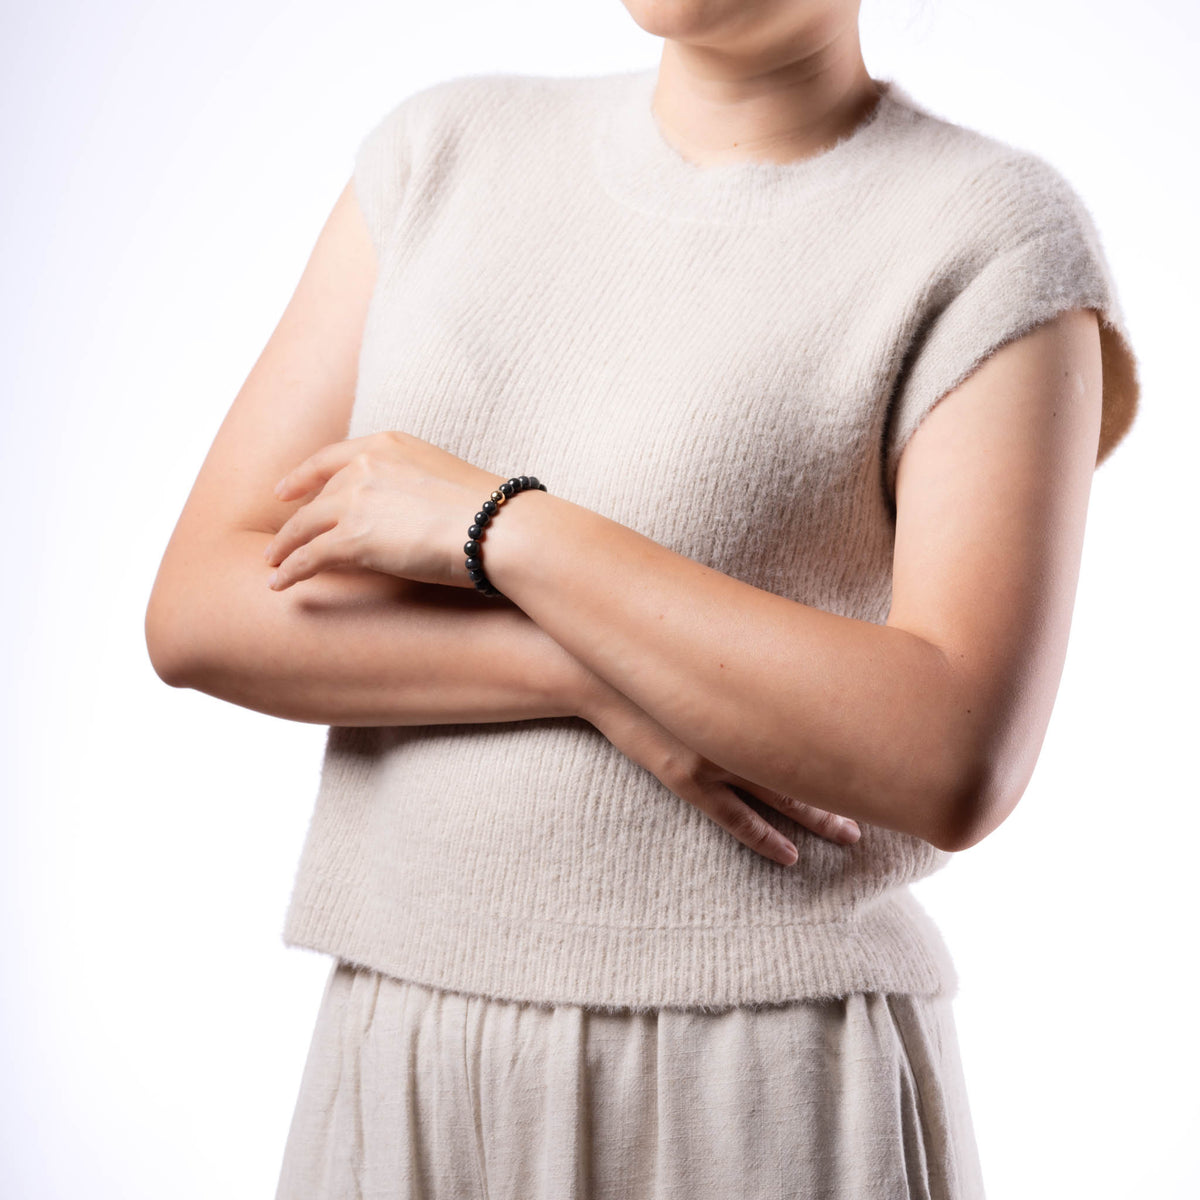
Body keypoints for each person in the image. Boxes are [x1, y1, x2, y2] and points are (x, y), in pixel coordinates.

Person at [145, 1, 1139, 1196]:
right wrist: (578, 671)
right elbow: (199, 611)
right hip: (401, 1047)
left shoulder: (992, 233)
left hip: (757, 1079)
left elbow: (955, 750)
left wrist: (506, 526)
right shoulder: (439, 155)